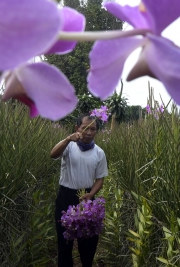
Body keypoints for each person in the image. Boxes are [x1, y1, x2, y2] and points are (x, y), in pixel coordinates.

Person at [50, 114, 109, 267]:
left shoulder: (99, 153)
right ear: (77, 129)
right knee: (64, 244)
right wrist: (68, 139)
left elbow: (100, 179)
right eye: (85, 128)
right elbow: (53, 154)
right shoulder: (68, 146)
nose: (89, 133)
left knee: (88, 244)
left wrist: (92, 194)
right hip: (66, 197)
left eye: (93, 129)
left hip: (87, 199)